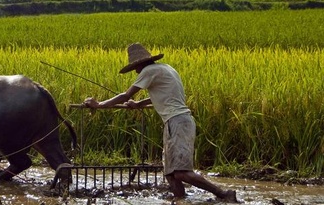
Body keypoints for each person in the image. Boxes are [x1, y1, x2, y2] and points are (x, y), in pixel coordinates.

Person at [84, 43, 238, 203]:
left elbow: (126, 95)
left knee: (181, 172)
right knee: (170, 174)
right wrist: (139, 105)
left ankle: (224, 193)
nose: (136, 71)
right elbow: (161, 96)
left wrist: (99, 104)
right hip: (176, 122)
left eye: (135, 67)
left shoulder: (149, 71)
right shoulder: (166, 69)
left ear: (140, 64)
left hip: (178, 122)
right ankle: (180, 199)